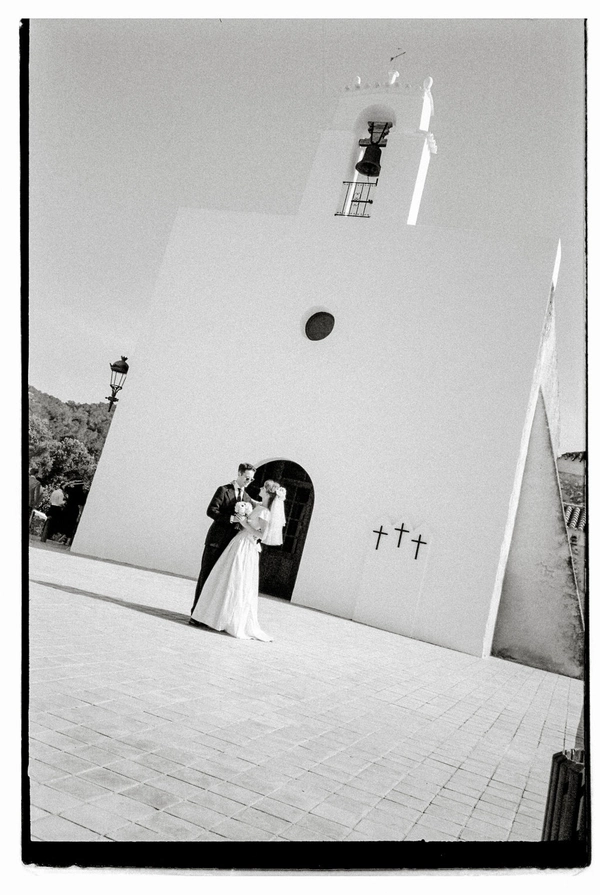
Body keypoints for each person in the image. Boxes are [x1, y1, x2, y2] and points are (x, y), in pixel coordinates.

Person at [190, 479, 286, 641]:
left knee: (236, 580)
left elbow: (262, 535)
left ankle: (229, 619)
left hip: (245, 546)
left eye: (263, 487)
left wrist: (244, 524)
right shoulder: (259, 506)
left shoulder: (264, 512)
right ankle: (215, 616)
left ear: (268, 493)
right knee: (225, 579)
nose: (260, 488)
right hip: (238, 543)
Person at [190, 463, 257, 615]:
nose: (249, 481)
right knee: (206, 576)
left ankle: (208, 615)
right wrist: (231, 518)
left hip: (231, 546)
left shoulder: (247, 497)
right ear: (239, 474)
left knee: (219, 581)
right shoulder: (224, 490)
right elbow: (211, 510)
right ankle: (195, 613)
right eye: (247, 478)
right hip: (216, 541)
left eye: (251, 479)